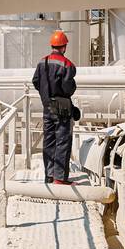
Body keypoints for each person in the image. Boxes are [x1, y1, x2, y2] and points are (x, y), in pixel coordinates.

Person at [31, 29, 79, 184]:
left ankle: (49, 175)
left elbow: (36, 82)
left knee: (49, 141)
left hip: (47, 107)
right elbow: (67, 89)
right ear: (64, 47)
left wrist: (46, 95)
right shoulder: (67, 65)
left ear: (52, 45)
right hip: (62, 109)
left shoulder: (41, 62)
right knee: (63, 142)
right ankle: (59, 178)